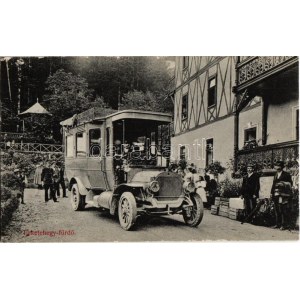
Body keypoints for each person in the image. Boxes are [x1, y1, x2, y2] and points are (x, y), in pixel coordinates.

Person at [270, 161, 293, 230]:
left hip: (283, 195)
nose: (277, 167)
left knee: (282, 209)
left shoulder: (286, 174)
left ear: (282, 167)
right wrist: (271, 193)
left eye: (279, 166)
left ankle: (284, 225)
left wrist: (283, 183)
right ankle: (278, 224)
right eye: (276, 166)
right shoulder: (276, 174)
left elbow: (290, 184)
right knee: (277, 209)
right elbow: (273, 184)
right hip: (276, 194)